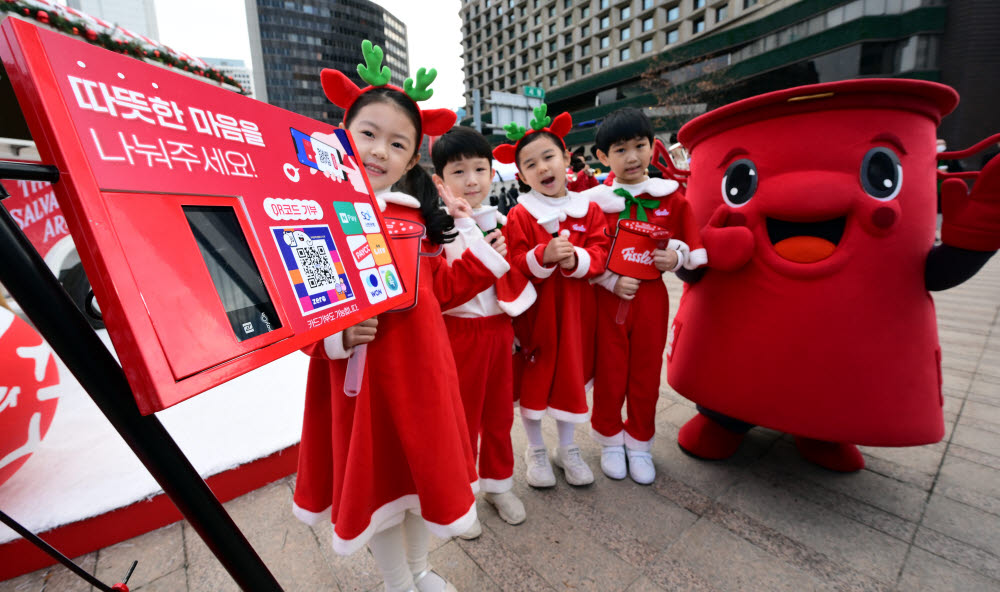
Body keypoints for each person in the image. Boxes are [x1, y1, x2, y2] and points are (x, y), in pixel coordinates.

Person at [292, 41, 509, 592]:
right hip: (363, 386)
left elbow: (442, 291)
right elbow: (299, 311)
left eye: (397, 143)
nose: (378, 150)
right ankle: (397, 582)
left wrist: (472, 235)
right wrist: (336, 337)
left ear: (412, 159)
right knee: (381, 487)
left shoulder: (415, 224)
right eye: (367, 133)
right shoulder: (314, 217)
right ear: (342, 134)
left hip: (424, 378)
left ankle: (419, 570)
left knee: (421, 482)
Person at [581, 107, 706, 484]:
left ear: (653, 147)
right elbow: (587, 251)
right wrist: (608, 281)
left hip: (651, 299)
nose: (632, 157)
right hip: (609, 299)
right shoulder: (595, 203)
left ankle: (639, 442)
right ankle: (609, 440)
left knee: (646, 372)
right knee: (610, 372)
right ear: (603, 157)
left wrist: (676, 255)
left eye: (640, 145)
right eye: (620, 150)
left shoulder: (672, 198)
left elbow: (691, 245)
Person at [493, 105, 610, 488]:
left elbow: (600, 253)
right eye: (530, 164)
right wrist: (541, 257)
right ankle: (536, 450)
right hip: (536, 316)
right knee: (534, 379)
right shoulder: (520, 215)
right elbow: (512, 264)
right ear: (522, 174)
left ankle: (567, 448)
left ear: (566, 158)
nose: (542, 168)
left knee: (569, 376)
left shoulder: (589, 209)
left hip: (577, 314)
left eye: (548, 157)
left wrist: (576, 257)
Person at [431, 126, 528, 539]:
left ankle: (497, 485)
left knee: (500, 416)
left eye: (480, 169)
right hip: (460, 334)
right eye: (459, 172)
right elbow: (444, 293)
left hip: (500, 331)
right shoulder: (436, 231)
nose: (471, 180)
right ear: (440, 181)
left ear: (493, 173)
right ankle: (463, 495)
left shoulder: (504, 220)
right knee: (462, 421)